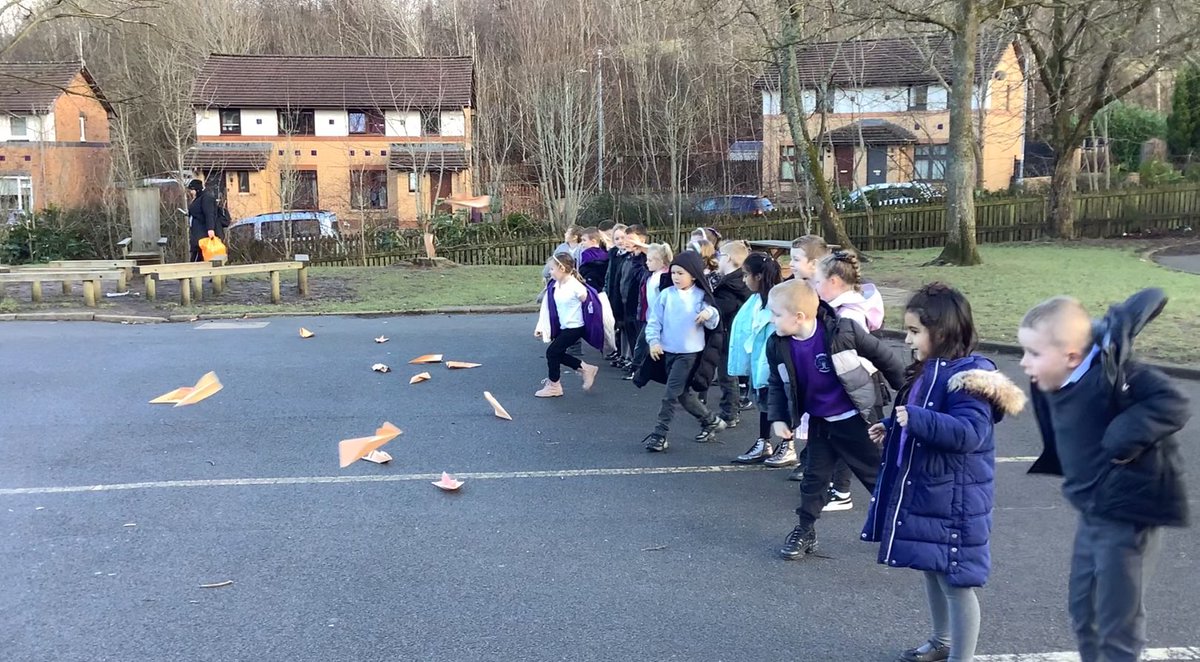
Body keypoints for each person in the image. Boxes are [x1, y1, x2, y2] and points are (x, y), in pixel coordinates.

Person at [1017, 290, 1190, 662]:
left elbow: (1174, 403)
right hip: (1092, 512)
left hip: (1127, 518)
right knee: (1084, 614)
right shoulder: (1054, 378)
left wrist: (1124, 434)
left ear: (1071, 356)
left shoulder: (1117, 376)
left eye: (1033, 354)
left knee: (1117, 625)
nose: (1023, 363)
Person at [863, 283, 1026, 662]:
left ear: (944, 331)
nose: (907, 339)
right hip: (931, 491)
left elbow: (969, 433)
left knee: (956, 581)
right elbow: (926, 416)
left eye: (914, 331)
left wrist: (915, 419)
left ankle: (960, 656)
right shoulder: (930, 371)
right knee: (931, 568)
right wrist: (893, 427)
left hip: (956, 498)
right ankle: (941, 641)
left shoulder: (970, 378)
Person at [764, 280, 905, 559]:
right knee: (813, 480)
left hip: (857, 420)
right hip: (821, 422)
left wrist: (910, 395)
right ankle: (805, 530)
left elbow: (885, 358)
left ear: (799, 317)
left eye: (776, 314)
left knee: (877, 476)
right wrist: (778, 417)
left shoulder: (843, 331)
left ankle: (906, 528)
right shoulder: (778, 345)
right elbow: (777, 384)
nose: (772, 320)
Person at [808, 250, 887, 510]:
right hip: (849, 387)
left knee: (866, 452)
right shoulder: (836, 309)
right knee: (841, 441)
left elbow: (858, 357)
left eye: (817, 282)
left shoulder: (849, 315)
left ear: (833, 282)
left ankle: (895, 505)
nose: (815, 288)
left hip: (856, 388)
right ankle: (840, 490)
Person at [638, 251, 725, 452]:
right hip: (668, 352)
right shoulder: (666, 295)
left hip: (689, 355)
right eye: (674, 273)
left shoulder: (701, 296)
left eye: (681, 273)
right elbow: (654, 321)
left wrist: (708, 313)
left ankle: (660, 434)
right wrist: (653, 341)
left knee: (670, 394)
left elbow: (715, 319)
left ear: (693, 275)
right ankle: (710, 420)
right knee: (683, 394)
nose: (676, 277)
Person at [727, 252, 783, 464]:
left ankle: (787, 445)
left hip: (776, 363)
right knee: (764, 402)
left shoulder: (777, 300)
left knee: (780, 404)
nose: (743, 280)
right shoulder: (757, 300)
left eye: (746, 275)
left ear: (758, 276)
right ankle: (764, 441)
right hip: (760, 361)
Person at [533, 252, 601, 397]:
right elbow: (547, 307)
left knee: (552, 352)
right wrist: (542, 327)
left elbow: (590, 303)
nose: (550, 272)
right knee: (556, 353)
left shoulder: (576, 286)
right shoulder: (556, 285)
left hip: (575, 327)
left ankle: (554, 386)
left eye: (552, 269)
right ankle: (585, 368)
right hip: (565, 326)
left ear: (562, 269)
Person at [711, 239, 752, 428]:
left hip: (728, 333)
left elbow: (723, 308)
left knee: (727, 374)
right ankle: (730, 409)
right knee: (728, 373)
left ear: (727, 258)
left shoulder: (730, 285)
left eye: (719, 255)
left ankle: (730, 412)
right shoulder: (738, 281)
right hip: (732, 333)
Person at [628, 243, 673, 380]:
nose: (647, 262)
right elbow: (637, 271)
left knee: (644, 344)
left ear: (660, 261)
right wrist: (636, 256)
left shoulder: (664, 277)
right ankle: (639, 369)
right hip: (649, 316)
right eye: (647, 259)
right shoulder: (650, 275)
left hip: (660, 318)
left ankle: (637, 369)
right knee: (643, 344)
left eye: (650, 260)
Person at [620, 224, 651, 372]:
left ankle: (640, 367)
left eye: (631, 239)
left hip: (640, 307)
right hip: (627, 302)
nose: (626, 242)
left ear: (642, 240)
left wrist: (641, 254)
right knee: (632, 335)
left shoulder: (647, 259)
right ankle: (634, 362)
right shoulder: (629, 258)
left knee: (641, 338)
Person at [603, 224, 629, 366]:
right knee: (617, 325)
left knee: (625, 326)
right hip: (613, 293)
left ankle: (627, 356)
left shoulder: (628, 256)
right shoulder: (613, 253)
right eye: (617, 238)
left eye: (622, 237)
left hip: (624, 295)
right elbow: (609, 274)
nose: (620, 241)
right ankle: (620, 353)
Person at [186, 179, 219, 262]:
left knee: (199, 253)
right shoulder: (198, 198)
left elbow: (209, 214)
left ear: (197, 189)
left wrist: (210, 229)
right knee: (197, 253)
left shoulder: (206, 198)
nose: (191, 192)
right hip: (197, 231)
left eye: (192, 190)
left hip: (203, 232)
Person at [578, 227, 610, 292]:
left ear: (593, 241)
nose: (582, 243)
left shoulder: (586, 253)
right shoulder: (605, 253)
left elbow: (585, 268)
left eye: (584, 240)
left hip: (591, 280)